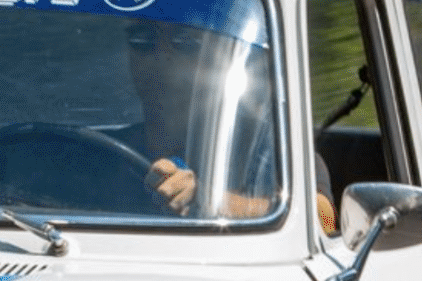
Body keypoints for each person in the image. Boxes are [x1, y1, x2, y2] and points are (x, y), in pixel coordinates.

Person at [126, 20, 337, 233]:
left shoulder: (271, 148)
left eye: (186, 42)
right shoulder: (100, 155)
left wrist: (208, 200)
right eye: (142, 39)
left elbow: (325, 221)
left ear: (217, 58)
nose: (163, 58)